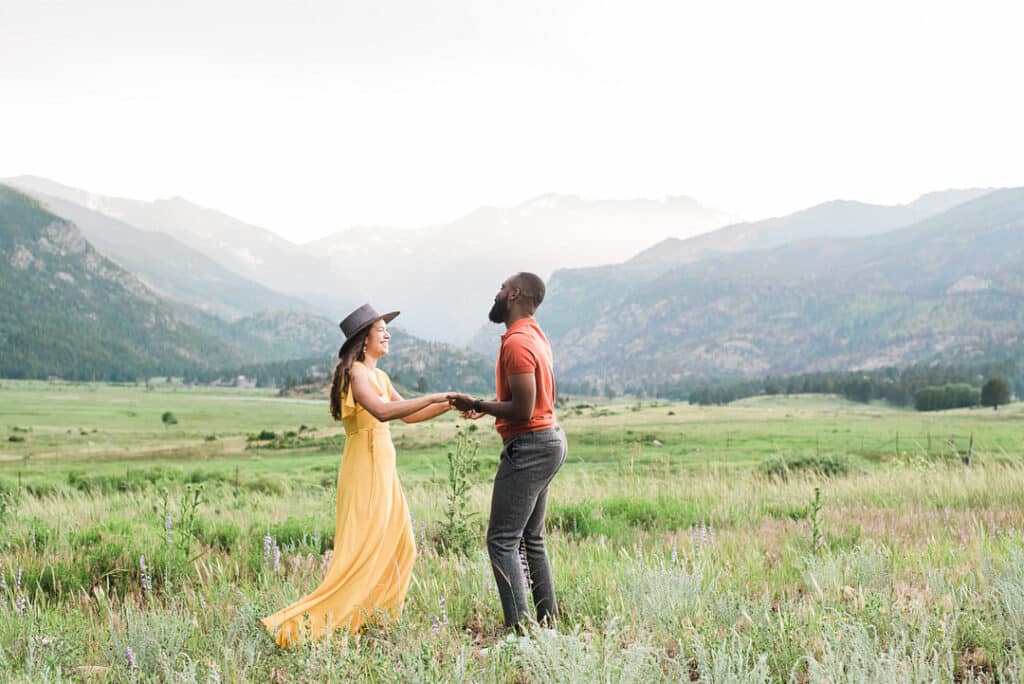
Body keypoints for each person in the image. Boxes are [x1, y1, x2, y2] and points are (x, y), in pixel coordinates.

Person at [261, 303, 453, 647]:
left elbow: (408, 415)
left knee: (402, 545)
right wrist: (437, 395)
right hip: (364, 467)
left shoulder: (380, 376)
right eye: (382, 330)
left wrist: (452, 404)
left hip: (384, 467)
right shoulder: (358, 374)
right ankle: (302, 627)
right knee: (362, 551)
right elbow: (381, 411)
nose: (388, 335)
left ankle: (373, 617)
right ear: (365, 340)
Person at [449, 272, 567, 630]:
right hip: (549, 439)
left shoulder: (516, 342)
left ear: (515, 294)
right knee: (531, 539)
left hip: (530, 444)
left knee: (501, 540)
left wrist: (481, 405)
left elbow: (523, 408)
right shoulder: (535, 333)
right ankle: (547, 622)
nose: (496, 293)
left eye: (501, 288)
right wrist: (487, 405)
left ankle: (521, 631)